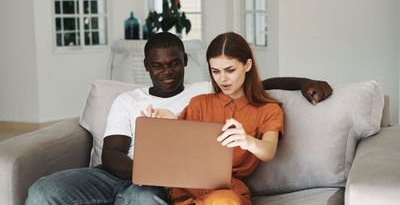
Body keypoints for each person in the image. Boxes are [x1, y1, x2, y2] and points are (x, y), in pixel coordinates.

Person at [25, 32, 332, 205]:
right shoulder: (177, 100)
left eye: (174, 63)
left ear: (186, 62)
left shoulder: (223, 97)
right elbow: (118, 151)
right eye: (158, 66)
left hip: (183, 186)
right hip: (145, 180)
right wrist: (165, 127)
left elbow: (256, 90)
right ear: (146, 66)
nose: (167, 71)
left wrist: (303, 81)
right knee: (43, 190)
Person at [145, 32, 283, 204]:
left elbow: (268, 151)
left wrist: (246, 140)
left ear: (247, 65)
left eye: (230, 70)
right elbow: (181, 152)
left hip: (226, 193)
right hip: (186, 189)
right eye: (215, 71)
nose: (222, 79)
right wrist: (168, 126)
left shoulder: (269, 110)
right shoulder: (199, 104)